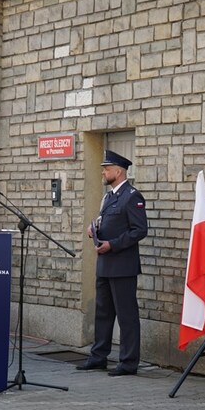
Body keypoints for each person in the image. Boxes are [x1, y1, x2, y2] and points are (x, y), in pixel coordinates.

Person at [77, 150, 148, 376]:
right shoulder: (107, 197)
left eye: (107, 169)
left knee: (126, 316)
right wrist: (94, 230)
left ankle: (128, 363)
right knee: (103, 313)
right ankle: (99, 357)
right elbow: (106, 222)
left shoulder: (132, 196)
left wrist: (113, 244)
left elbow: (139, 230)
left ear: (118, 171)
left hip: (123, 266)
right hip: (105, 264)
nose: (103, 172)